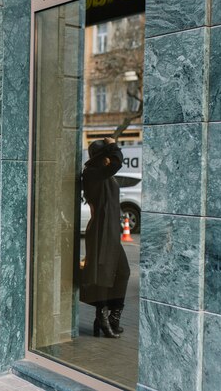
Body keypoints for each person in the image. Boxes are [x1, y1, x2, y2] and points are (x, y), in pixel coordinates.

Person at [80, 137, 130, 339]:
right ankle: (101, 316)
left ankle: (113, 316)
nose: (111, 158)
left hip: (110, 231)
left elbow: (114, 165)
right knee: (102, 276)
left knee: (123, 272)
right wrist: (112, 145)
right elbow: (117, 162)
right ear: (103, 157)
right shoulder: (92, 173)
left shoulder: (103, 173)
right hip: (100, 231)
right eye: (107, 155)